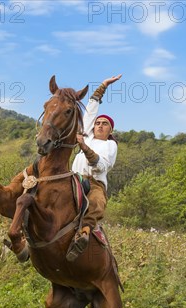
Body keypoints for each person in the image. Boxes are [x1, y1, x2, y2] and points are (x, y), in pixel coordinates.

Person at [66, 74, 122, 262]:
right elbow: (91, 108)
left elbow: (101, 166)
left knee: (97, 201)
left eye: (104, 124)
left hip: (95, 183)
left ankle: (84, 233)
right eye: (97, 123)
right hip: (74, 178)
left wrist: (84, 147)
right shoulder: (87, 136)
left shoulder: (110, 146)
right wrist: (103, 86)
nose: (99, 125)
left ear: (110, 130)